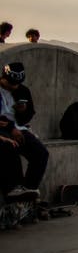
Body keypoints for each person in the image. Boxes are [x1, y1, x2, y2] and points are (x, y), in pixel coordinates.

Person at [0, 63, 49, 199]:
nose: (13, 87)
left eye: (16, 84)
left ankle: (29, 189)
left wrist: (22, 111)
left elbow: (27, 117)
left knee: (40, 153)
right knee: (11, 146)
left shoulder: (23, 91)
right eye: (9, 83)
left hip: (18, 128)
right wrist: (11, 128)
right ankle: (13, 187)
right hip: (3, 130)